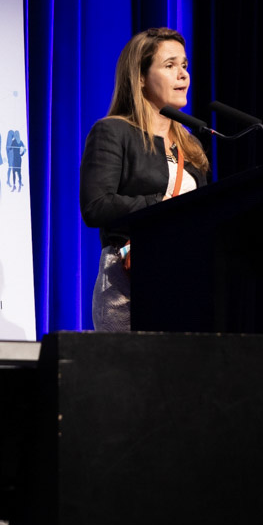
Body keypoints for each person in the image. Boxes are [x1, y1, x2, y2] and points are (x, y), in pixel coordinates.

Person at [78, 28, 212, 332]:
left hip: (185, 277)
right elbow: (96, 206)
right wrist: (160, 206)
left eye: (184, 65)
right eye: (169, 65)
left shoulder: (191, 145)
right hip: (127, 283)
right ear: (140, 77)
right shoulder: (113, 131)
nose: (183, 74)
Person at [6, 127, 26, 191]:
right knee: (19, 172)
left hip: (15, 159)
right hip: (18, 159)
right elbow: (25, 149)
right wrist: (22, 154)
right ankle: (19, 186)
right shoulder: (20, 141)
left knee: (14, 173)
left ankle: (14, 186)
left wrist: (8, 150)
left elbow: (10, 148)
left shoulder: (14, 141)